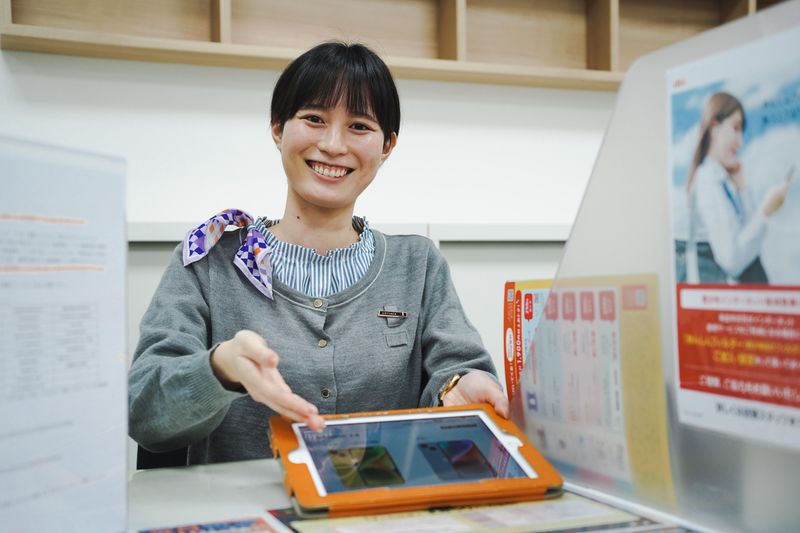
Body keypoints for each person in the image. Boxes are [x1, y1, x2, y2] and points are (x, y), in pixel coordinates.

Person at [128, 41, 508, 465]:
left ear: (387, 146)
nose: (332, 144)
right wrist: (219, 369)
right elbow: (145, 413)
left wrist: (460, 385)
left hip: (380, 501)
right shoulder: (207, 261)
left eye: (359, 126)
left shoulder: (417, 266)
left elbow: (456, 367)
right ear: (278, 129)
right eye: (314, 119)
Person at [683, 91, 789, 284]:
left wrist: (743, 188)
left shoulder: (722, 179)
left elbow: (749, 239)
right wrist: (765, 211)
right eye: (735, 128)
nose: (740, 141)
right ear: (714, 128)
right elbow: (733, 260)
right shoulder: (708, 180)